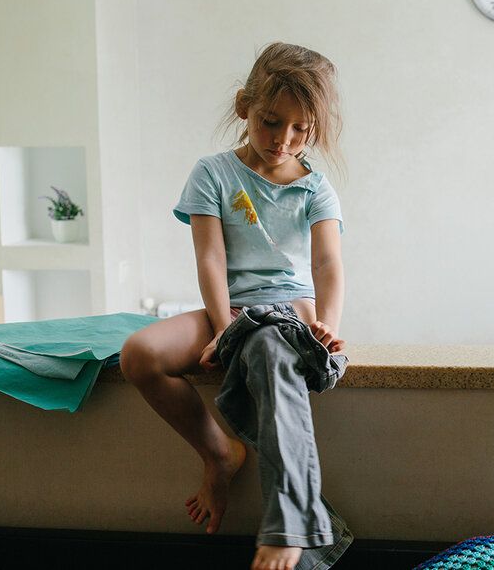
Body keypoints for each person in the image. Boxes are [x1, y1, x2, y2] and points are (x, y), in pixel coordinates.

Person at [121, 42, 347, 570]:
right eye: (271, 122)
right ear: (245, 105)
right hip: (228, 312)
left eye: (300, 129)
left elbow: (327, 267)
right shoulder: (214, 173)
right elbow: (211, 258)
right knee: (138, 354)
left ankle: (289, 525)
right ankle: (220, 453)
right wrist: (223, 329)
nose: (283, 140)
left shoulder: (317, 190)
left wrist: (329, 326)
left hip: (287, 317)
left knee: (269, 348)